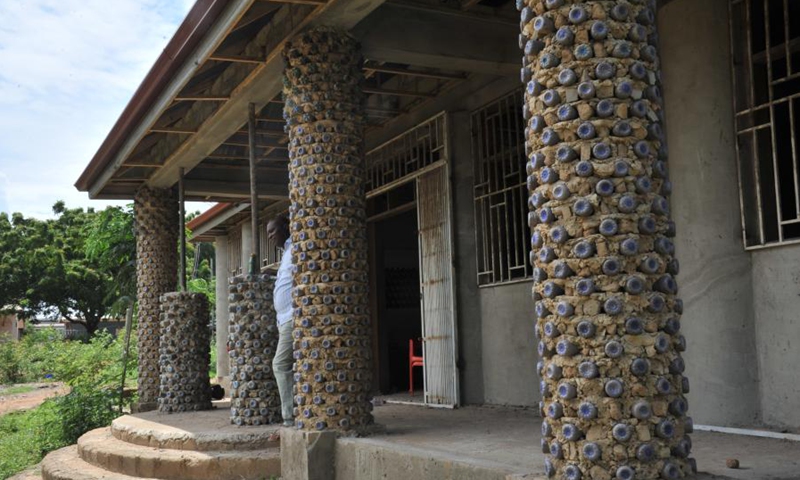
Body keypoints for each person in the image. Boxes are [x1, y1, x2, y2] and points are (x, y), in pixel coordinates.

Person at [268, 214, 294, 427]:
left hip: (292, 318)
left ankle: (290, 416)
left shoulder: (295, 248)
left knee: (280, 364)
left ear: (286, 227)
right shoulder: (286, 252)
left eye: (272, 231)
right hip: (283, 319)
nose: (269, 237)